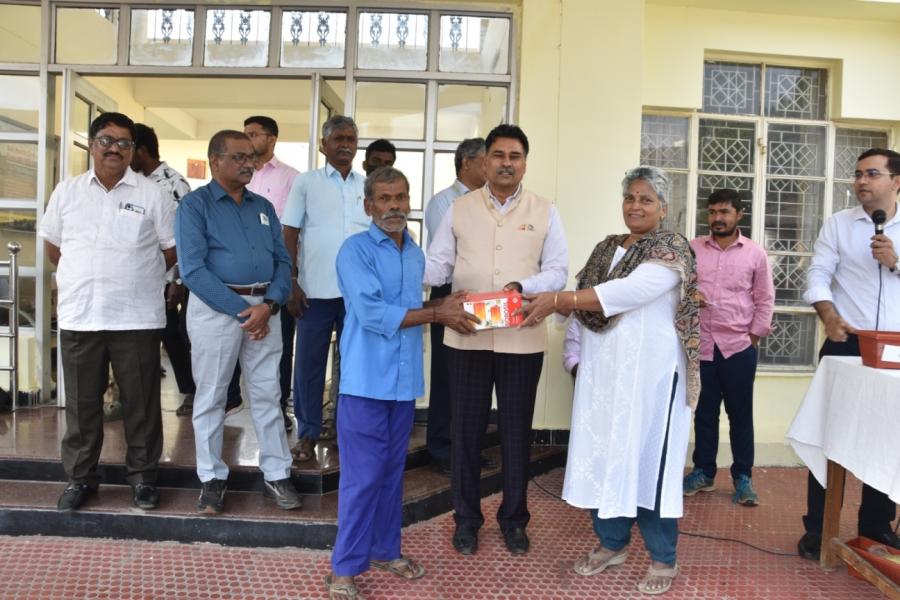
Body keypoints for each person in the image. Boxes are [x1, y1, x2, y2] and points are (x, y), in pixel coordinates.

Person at [518, 165, 700, 595]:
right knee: (605, 457)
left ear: (663, 208)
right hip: (603, 379)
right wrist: (536, 302)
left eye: (646, 199)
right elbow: (582, 305)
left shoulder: (671, 250)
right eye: (630, 198)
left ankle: (662, 558)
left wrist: (559, 299)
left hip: (652, 379)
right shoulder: (606, 249)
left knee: (648, 462)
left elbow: (625, 294)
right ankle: (612, 544)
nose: (635, 206)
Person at [326, 166, 477, 600]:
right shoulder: (354, 251)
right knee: (362, 478)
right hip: (364, 384)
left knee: (392, 475)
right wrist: (437, 313)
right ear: (368, 205)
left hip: (404, 384)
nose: (394, 206)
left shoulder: (414, 252)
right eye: (385, 198)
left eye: (400, 197)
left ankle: (385, 550)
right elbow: (374, 314)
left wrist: (443, 305)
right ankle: (343, 568)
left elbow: (411, 307)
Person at [425, 124, 568, 556]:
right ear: (484, 161)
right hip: (466, 337)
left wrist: (520, 286)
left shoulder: (546, 210)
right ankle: (466, 520)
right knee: (465, 433)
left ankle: (514, 520)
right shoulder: (459, 208)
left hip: (521, 340)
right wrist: (400, 273)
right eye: (499, 155)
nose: (507, 163)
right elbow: (436, 265)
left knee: (514, 433)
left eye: (515, 156)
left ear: (525, 162)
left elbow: (558, 270)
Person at [39, 112, 176, 512]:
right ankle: (81, 479)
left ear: (133, 150)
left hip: (135, 316)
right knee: (82, 405)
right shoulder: (68, 191)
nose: (114, 148)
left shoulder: (153, 194)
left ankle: (143, 479)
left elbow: (170, 249)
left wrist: (135, 274)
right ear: (92, 144)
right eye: (106, 140)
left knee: (142, 403)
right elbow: (53, 245)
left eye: (123, 142)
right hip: (81, 314)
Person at [175, 130, 301, 514]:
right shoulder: (194, 206)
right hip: (218, 309)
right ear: (215, 160)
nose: (250, 164)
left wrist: (270, 304)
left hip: (265, 309)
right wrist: (242, 310)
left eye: (252, 158)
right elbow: (193, 270)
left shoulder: (262, 205)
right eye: (240, 157)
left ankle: (277, 474)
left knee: (268, 395)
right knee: (212, 396)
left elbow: (283, 261)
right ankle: (212, 479)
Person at [797, 148, 900, 560]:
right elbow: (818, 273)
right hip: (846, 340)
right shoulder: (839, 225)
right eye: (857, 174)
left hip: (894, 347)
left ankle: (876, 527)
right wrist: (828, 313)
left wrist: (896, 261)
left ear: (896, 181)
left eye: (872, 174)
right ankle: (818, 530)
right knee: (828, 436)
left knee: (887, 437)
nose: (861, 181)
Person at [282, 116, 368, 463]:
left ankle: (346, 430)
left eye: (351, 139)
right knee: (308, 365)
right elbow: (289, 233)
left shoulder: (368, 185)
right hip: (314, 291)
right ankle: (307, 433)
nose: (345, 145)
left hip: (357, 295)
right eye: (338, 139)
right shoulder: (307, 183)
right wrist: (290, 281)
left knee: (353, 365)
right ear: (324, 145)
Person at [683, 189, 774, 506]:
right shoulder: (693, 249)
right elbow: (679, 288)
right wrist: (689, 297)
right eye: (712, 212)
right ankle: (703, 473)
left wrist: (753, 337)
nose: (717, 218)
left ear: (739, 215)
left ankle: (743, 478)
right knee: (704, 414)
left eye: (724, 212)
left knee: (740, 415)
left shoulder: (754, 254)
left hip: (738, 348)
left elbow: (764, 300)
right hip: (702, 346)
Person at [422, 137, 487, 475]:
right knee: (447, 375)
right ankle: (441, 448)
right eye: (486, 161)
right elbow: (446, 256)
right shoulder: (443, 203)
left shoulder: (487, 202)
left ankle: (466, 448)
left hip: (478, 296)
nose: (492, 168)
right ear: (467, 163)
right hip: (448, 292)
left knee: (472, 375)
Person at [131, 123, 196, 417]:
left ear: (141, 150)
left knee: (175, 336)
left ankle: (192, 391)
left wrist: (177, 281)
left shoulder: (173, 183)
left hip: (169, 277)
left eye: (127, 146)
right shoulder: (134, 182)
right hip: (139, 276)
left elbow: (185, 237)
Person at [244, 115, 301, 433]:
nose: (248, 139)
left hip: (276, 277)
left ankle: (277, 408)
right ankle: (233, 399)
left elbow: (294, 231)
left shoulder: (292, 178)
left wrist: (292, 278)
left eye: (254, 134)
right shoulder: (240, 174)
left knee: (278, 346)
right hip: (238, 277)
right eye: (245, 133)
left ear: (272, 139)